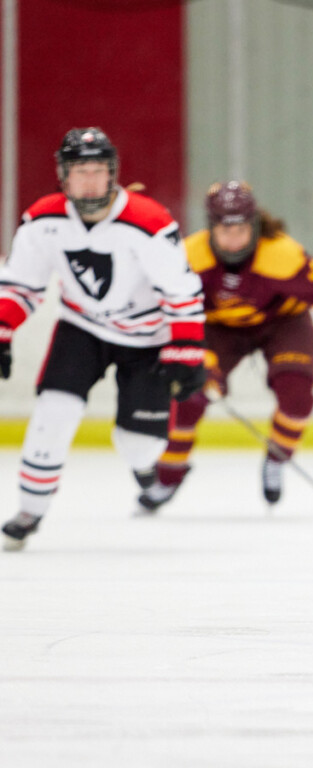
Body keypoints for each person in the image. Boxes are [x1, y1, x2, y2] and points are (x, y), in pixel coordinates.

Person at [0, 127, 205, 550]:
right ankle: (29, 511)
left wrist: (185, 353)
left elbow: (181, 290)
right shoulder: (43, 220)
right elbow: (22, 286)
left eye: (98, 170)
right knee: (53, 413)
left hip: (147, 338)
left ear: (112, 174)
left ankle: (143, 467)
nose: (90, 180)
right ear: (64, 176)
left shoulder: (148, 221)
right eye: (80, 171)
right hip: (83, 329)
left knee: (138, 445)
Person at [137, 181, 313, 512]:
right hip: (217, 329)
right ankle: (168, 475)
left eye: (242, 229)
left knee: (297, 397)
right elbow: (166, 309)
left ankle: (276, 460)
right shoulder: (189, 257)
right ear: (211, 226)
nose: (234, 238)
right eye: (226, 230)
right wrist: (191, 357)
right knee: (190, 395)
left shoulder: (281, 255)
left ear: (254, 225)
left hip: (284, 324)